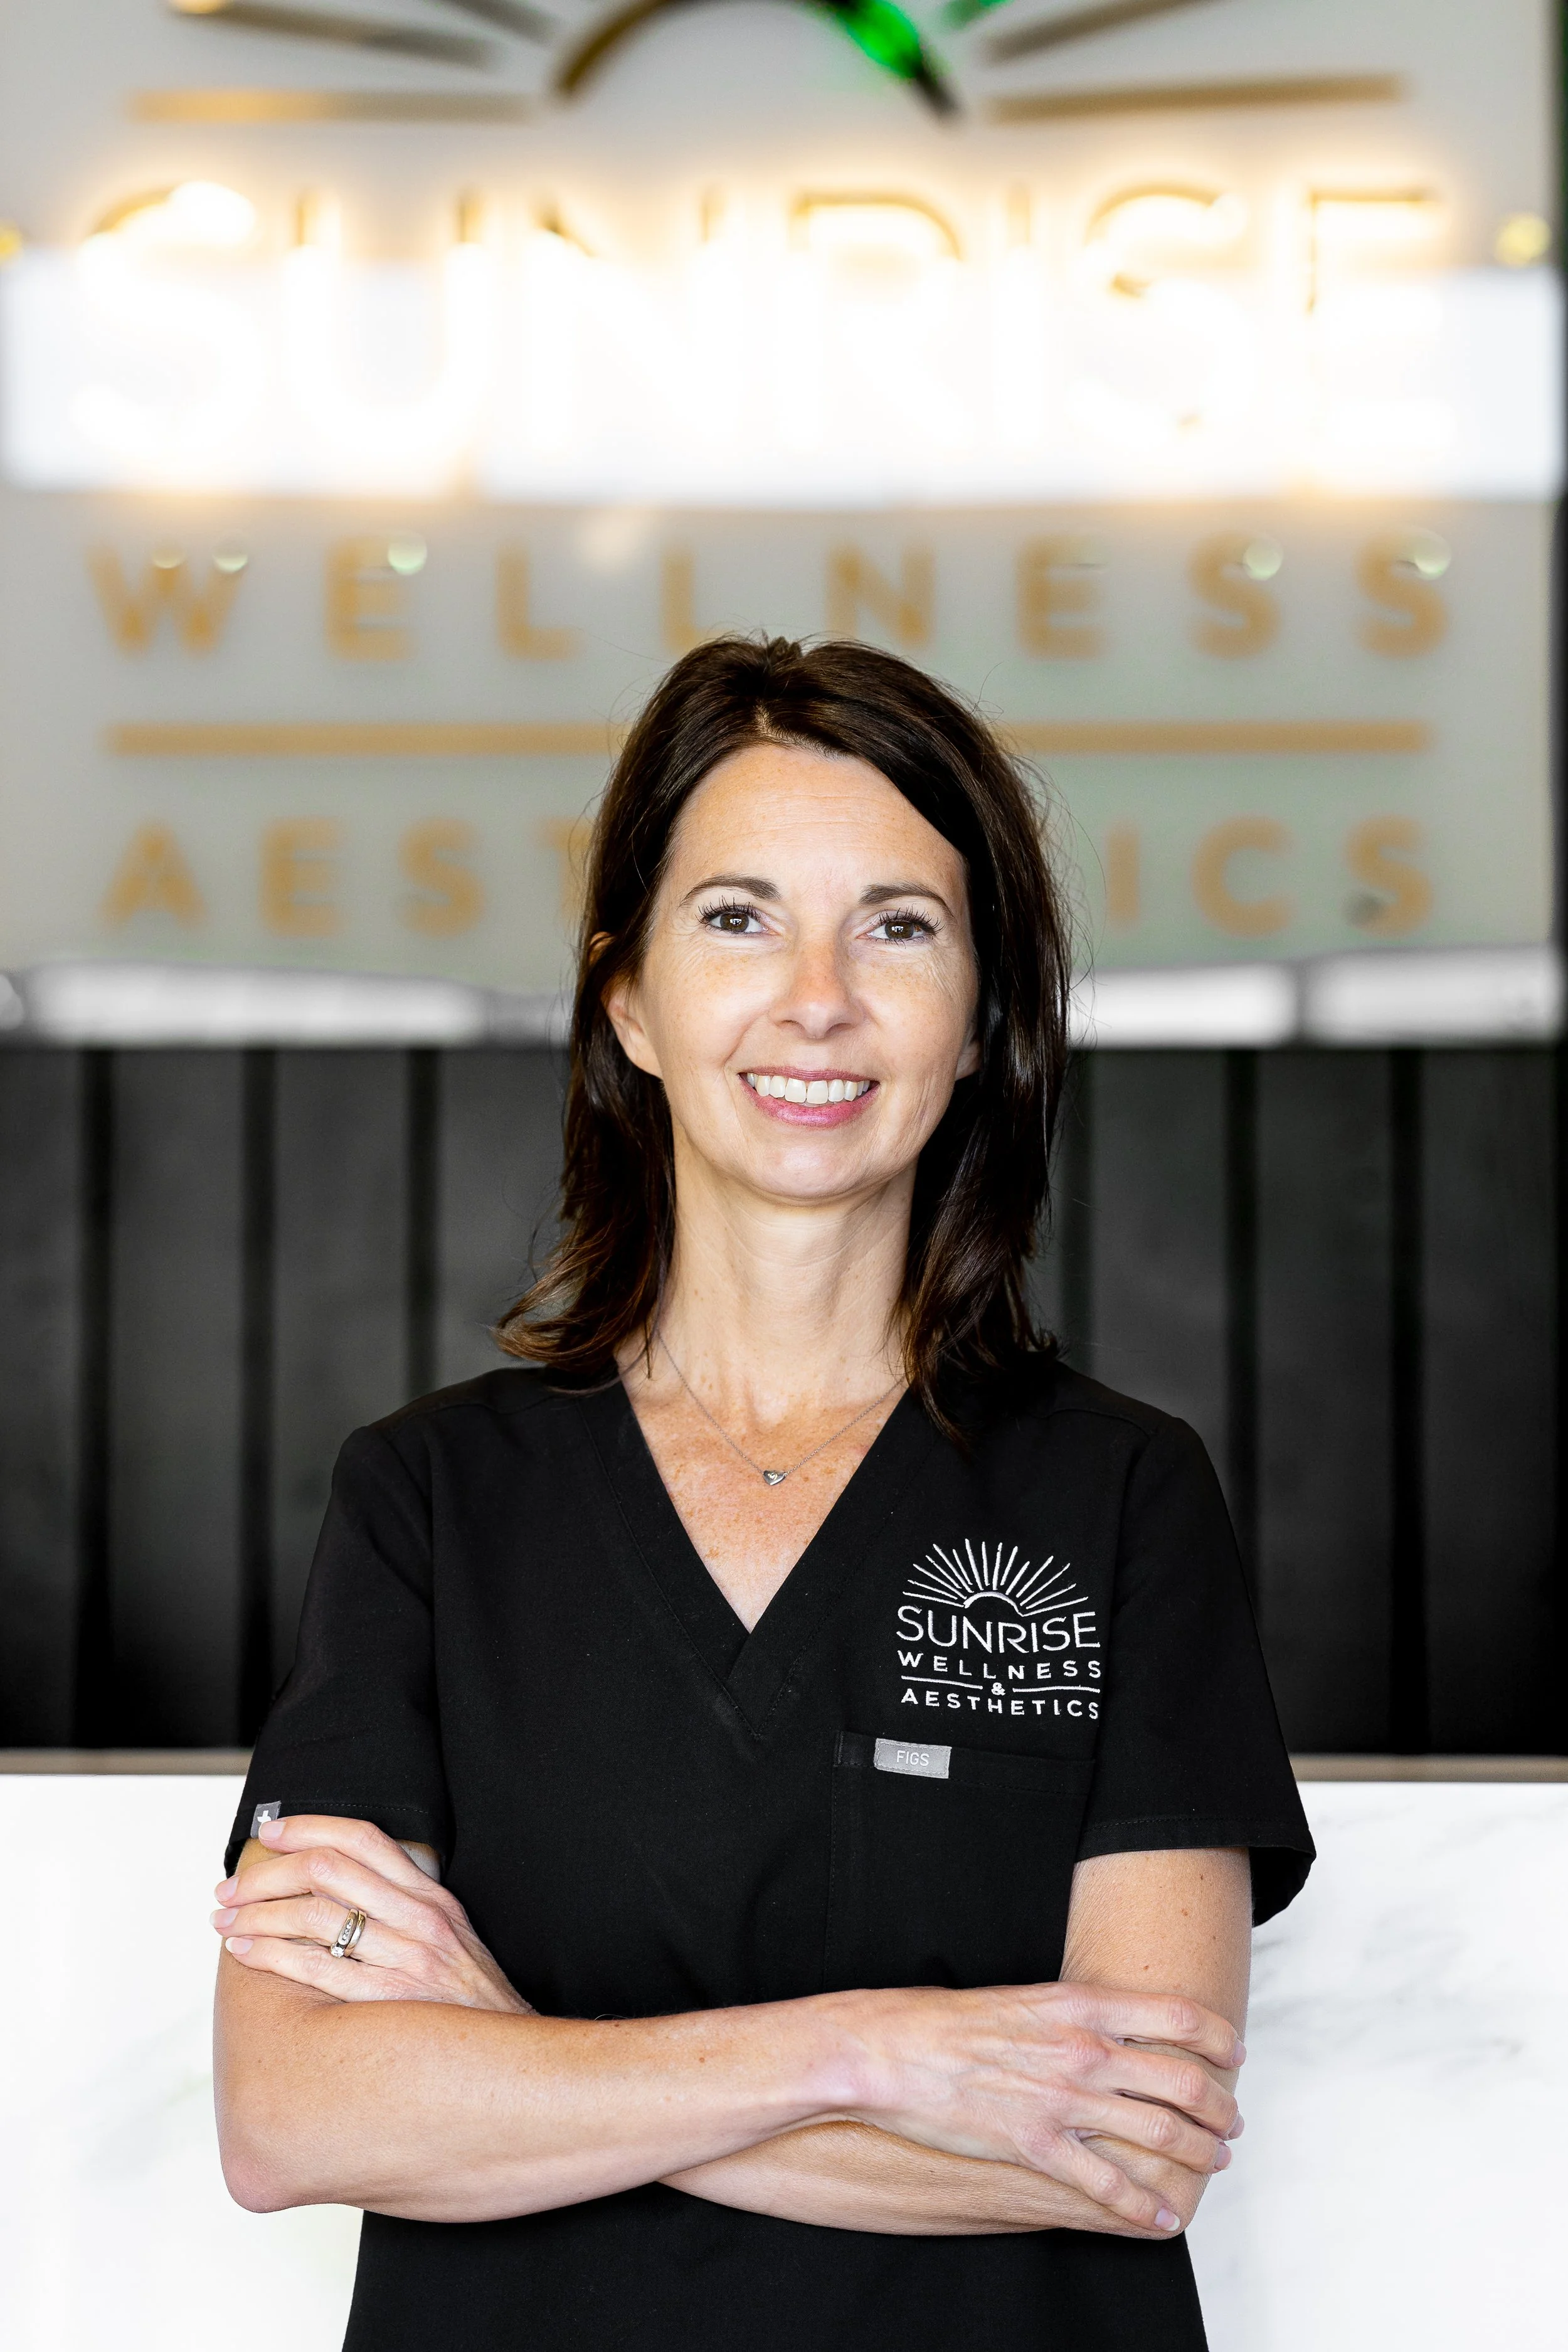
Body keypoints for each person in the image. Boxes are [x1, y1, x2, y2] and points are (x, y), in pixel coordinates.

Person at [213, 635, 1313, 2352]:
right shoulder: (430, 1495)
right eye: (737, 916)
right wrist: (874, 2048)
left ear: (982, 1019)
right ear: (629, 1000)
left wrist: (513, 2051)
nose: (818, 995)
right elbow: (294, 2113)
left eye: (897, 924)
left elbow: (1127, 2140)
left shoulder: (1116, 1494)